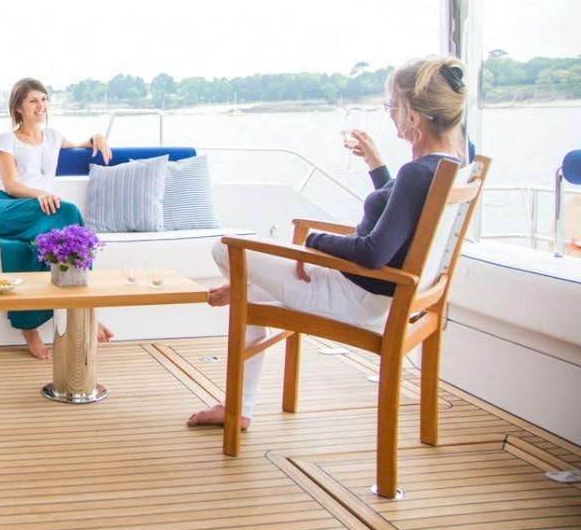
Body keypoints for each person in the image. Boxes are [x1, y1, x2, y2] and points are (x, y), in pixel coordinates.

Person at [189, 55, 468, 430]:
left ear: (413, 118)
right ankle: (238, 397)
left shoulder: (417, 174)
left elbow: (372, 252)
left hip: (353, 300)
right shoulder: (448, 166)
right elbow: (400, 218)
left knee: (225, 247)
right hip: (383, 298)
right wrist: (377, 166)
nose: (389, 114)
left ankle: (239, 400)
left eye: (392, 107)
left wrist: (313, 241)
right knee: (246, 287)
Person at [0, 77, 115, 359]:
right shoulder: (6, 140)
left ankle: (66, 315)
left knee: (40, 246)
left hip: (42, 211)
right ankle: (84, 310)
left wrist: (96, 137)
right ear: (18, 107)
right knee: (68, 212)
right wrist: (39, 194)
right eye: (33, 101)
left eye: (44, 99)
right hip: (6, 208)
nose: (40, 106)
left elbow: (81, 143)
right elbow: (11, 185)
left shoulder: (53, 136)